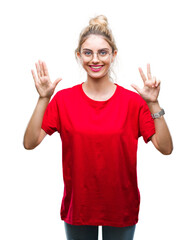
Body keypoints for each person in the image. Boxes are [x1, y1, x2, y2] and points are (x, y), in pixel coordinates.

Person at [23, 15, 173, 240]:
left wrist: (153, 103)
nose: (95, 59)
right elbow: (30, 142)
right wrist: (44, 98)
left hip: (121, 207)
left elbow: (165, 147)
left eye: (103, 52)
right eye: (88, 52)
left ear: (113, 55)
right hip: (79, 208)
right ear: (78, 55)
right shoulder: (63, 100)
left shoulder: (133, 102)